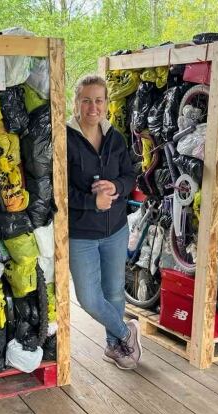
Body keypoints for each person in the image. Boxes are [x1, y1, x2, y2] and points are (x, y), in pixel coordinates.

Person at [67, 74, 142, 369]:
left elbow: (129, 175)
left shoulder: (115, 137)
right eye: (86, 100)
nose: (92, 107)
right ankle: (127, 332)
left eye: (98, 100)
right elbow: (58, 188)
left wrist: (117, 188)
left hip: (116, 230)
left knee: (113, 292)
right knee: (88, 297)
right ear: (76, 103)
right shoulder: (65, 138)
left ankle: (114, 346)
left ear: (107, 104)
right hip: (81, 233)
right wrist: (91, 201)